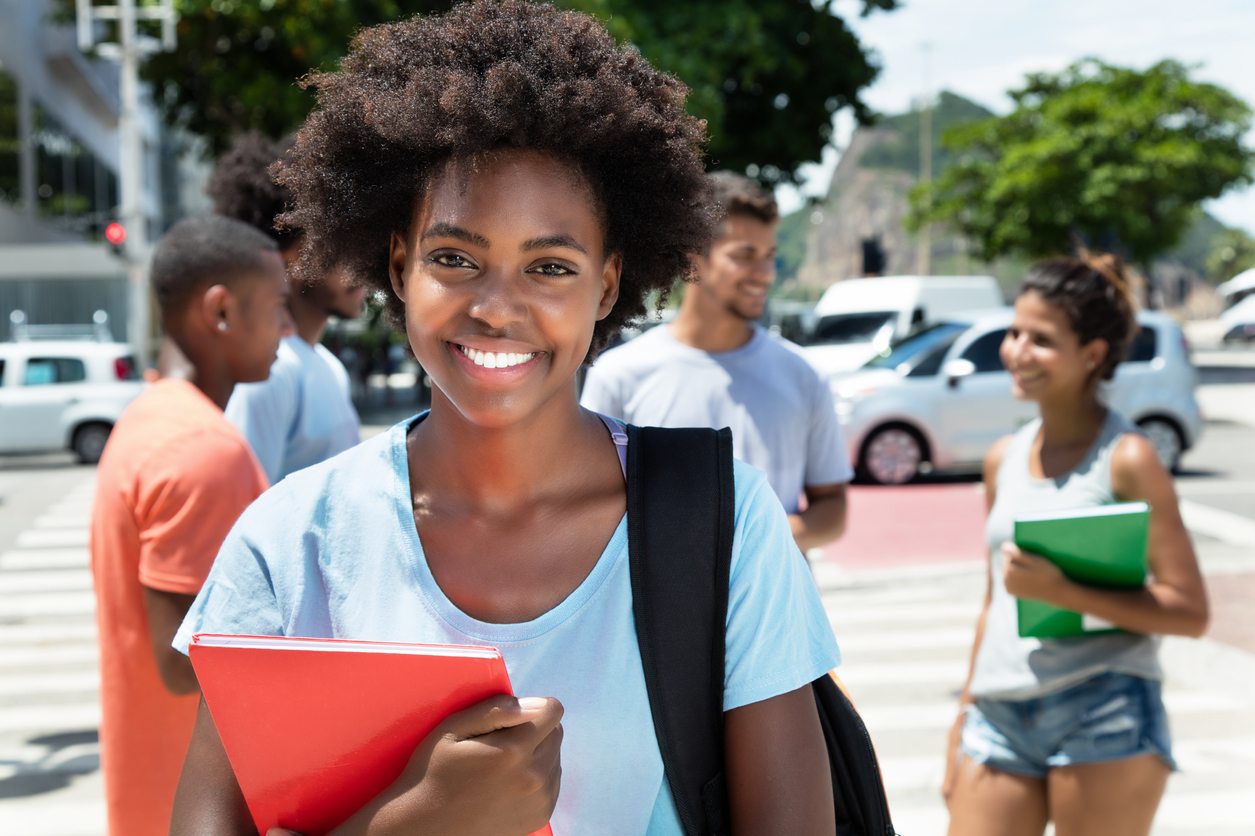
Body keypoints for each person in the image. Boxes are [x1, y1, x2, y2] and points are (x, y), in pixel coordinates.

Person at [168, 3, 841, 834]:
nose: (497, 308)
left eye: (550, 267)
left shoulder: (723, 523)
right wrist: (420, 822)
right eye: (455, 259)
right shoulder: (289, 542)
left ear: (605, 286)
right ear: (399, 264)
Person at [944, 256, 1210, 836]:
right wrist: (960, 721)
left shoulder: (1129, 458)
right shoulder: (1002, 458)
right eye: (1015, 332)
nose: (1015, 351)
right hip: (997, 713)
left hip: (1104, 707)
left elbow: (1189, 611)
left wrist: (1062, 592)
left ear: (1092, 354)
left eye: (1041, 340)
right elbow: (995, 604)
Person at [89, 215, 289, 836]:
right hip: (202, 805)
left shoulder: (151, 418)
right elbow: (186, 663)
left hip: (157, 792)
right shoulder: (202, 449)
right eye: (278, 305)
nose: (287, 327)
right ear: (222, 311)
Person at [581, 171, 852, 552]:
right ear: (695, 260)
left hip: (779, 609)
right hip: (655, 610)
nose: (764, 273)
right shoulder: (619, 375)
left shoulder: (804, 375)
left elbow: (832, 507)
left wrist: (750, 543)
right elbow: (586, 505)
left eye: (770, 257)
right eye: (744, 256)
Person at [209, 132, 367, 484]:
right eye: (339, 248)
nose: (360, 266)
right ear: (288, 261)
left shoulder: (326, 364)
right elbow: (245, 509)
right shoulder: (272, 373)